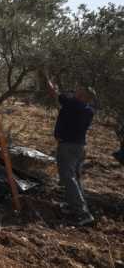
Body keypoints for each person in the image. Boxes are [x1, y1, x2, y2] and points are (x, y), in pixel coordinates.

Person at [44, 74, 96, 226]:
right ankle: (74, 206)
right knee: (75, 179)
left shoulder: (73, 104)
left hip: (67, 147)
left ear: (82, 96)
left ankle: (83, 214)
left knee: (68, 179)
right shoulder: (88, 110)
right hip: (80, 148)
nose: (75, 92)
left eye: (78, 91)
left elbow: (53, 93)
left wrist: (46, 77)